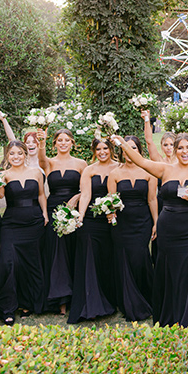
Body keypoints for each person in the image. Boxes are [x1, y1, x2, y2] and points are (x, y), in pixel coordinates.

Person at [117, 132, 188, 328]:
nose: (184, 151)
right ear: (175, 151)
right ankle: (171, 316)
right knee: (169, 268)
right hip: (168, 226)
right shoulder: (165, 169)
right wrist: (122, 144)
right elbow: (141, 161)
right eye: (180, 148)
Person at [0, 140, 47, 324]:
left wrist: (45, 215)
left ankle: (28, 303)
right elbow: (0, 195)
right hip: (11, 223)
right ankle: (8, 307)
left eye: (19, 153)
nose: (15, 157)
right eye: (12, 154)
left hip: (34, 221)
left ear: (25, 154)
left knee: (31, 263)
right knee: (8, 263)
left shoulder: (36, 172)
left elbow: (41, 194)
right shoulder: (4, 174)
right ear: (7, 156)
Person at [36, 128, 86, 315]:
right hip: (54, 208)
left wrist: (77, 198)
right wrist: (42, 141)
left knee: (73, 250)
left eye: (67, 140)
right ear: (54, 143)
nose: (63, 143)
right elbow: (41, 159)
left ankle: (75, 295)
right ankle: (60, 298)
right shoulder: (49, 162)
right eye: (59, 140)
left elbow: (87, 187)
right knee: (57, 253)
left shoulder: (81, 163)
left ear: (72, 143)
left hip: (74, 209)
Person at [106, 136, 156, 322]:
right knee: (124, 260)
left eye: (133, 148)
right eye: (126, 149)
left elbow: (152, 199)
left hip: (143, 221)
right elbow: (110, 201)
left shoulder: (148, 172)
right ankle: (128, 302)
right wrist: (110, 214)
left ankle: (146, 297)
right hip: (122, 223)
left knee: (140, 258)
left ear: (139, 150)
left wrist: (156, 222)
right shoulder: (115, 174)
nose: (129, 152)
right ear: (121, 151)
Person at [68, 138, 118, 324]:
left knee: (107, 258)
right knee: (89, 258)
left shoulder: (119, 167)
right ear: (94, 151)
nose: (102, 152)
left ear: (111, 149)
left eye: (105, 148)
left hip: (112, 219)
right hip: (91, 220)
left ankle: (109, 300)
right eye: (98, 149)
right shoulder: (89, 170)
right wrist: (80, 216)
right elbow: (86, 194)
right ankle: (90, 303)